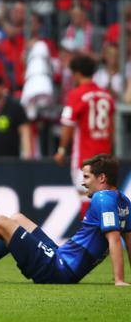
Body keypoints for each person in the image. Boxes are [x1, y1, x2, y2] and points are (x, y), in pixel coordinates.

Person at [0, 154, 131, 286]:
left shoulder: (102, 199)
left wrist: (119, 280)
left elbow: (114, 240)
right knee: (17, 219)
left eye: (86, 177)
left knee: (0, 222)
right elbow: (128, 241)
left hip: (59, 269)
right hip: (61, 259)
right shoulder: (123, 201)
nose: (82, 183)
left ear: (102, 178)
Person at [55, 55, 115, 219]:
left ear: (77, 74)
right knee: (105, 201)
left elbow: (68, 124)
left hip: (85, 158)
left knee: (86, 200)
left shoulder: (76, 95)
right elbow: (112, 129)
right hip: (105, 158)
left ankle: (90, 242)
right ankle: (108, 241)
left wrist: (61, 149)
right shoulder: (106, 96)